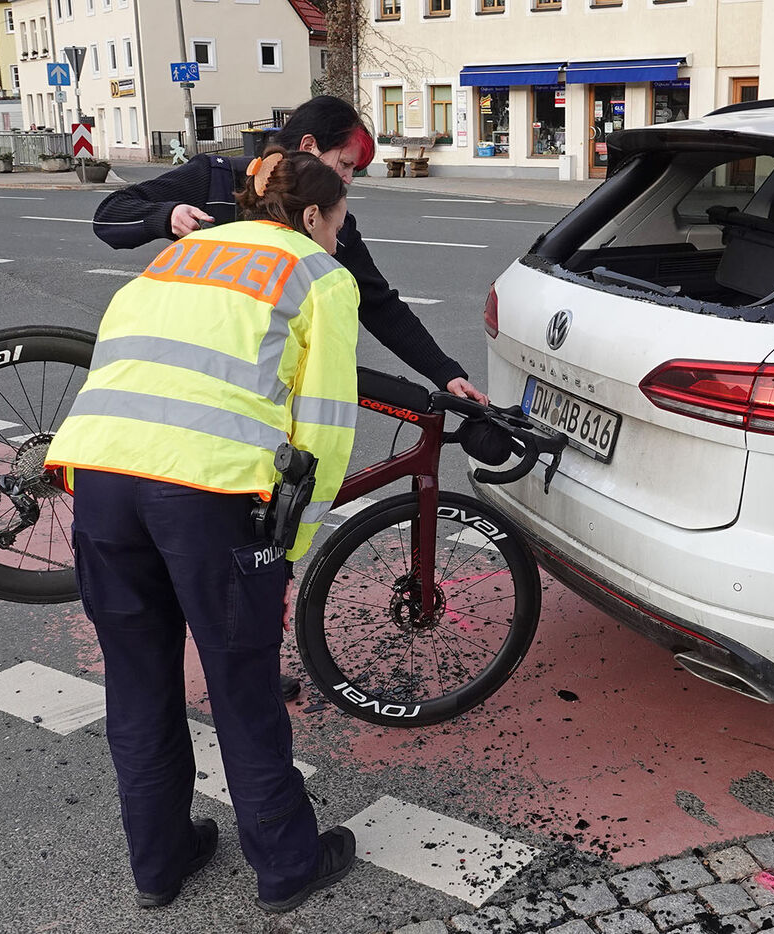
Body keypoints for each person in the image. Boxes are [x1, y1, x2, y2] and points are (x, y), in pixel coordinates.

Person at [45, 148, 359, 913]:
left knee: (138, 681)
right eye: (340, 223)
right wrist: (292, 542)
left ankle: (159, 863)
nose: (341, 237)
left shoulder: (184, 253)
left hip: (100, 476)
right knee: (242, 684)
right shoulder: (319, 275)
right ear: (311, 216)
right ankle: (286, 864)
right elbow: (325, 425)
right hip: (209, 491)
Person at [94, 95, 488, 701]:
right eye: (346, 166)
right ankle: (244, 655)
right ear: (310, 149)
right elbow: (110, 216)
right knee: (245, 535)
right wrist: (166, 215)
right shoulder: (216, 178)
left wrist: (446, 373)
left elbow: (378, 301)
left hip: (240, 406)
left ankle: (250, 649)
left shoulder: (327, 216)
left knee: (248, 534)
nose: (349, 183)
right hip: (182, 380)